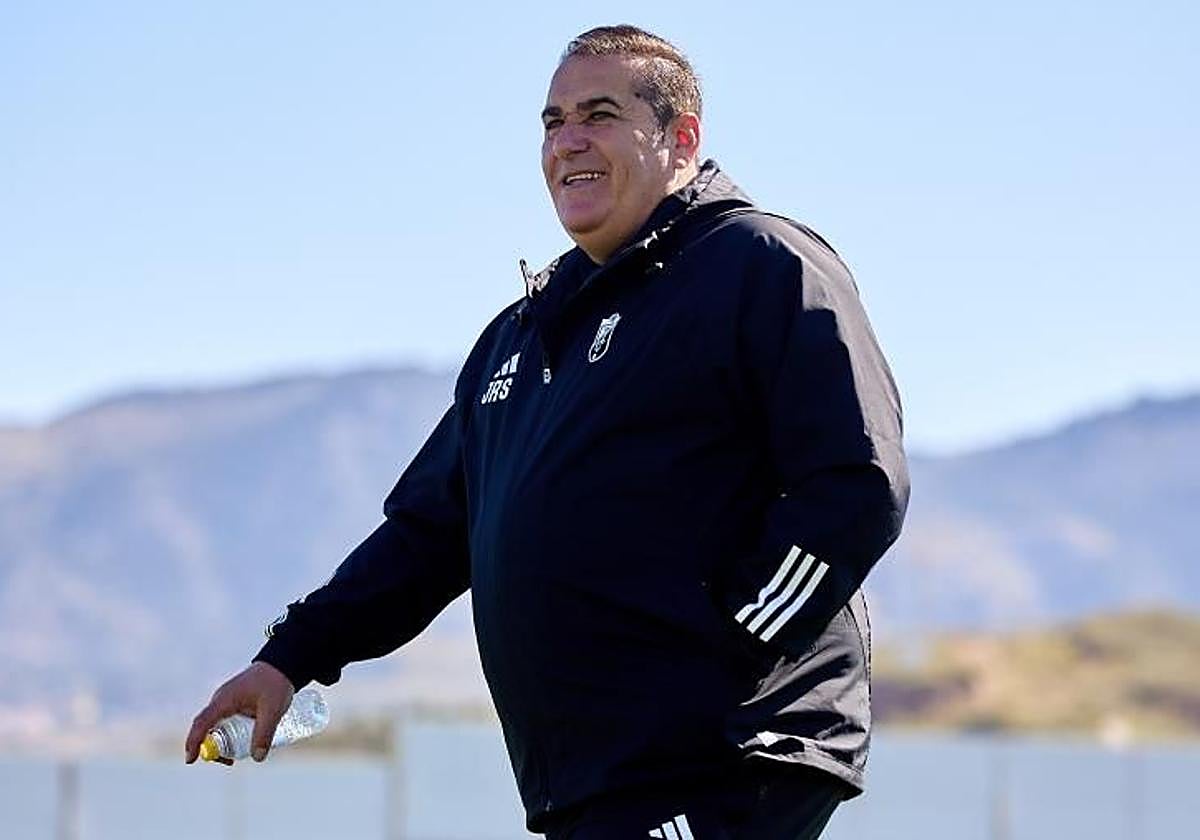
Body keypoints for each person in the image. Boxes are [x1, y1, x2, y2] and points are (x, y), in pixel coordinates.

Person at [185, 24, 909, 840]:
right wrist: (290, 657)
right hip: (594, 783)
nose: (568, 142)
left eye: (600, 115)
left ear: (681, 139)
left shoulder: (760, 263)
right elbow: (426, 537)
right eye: (553, 122)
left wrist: (738, 638)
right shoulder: (521, 337)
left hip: (725, 756)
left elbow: (856, 482)